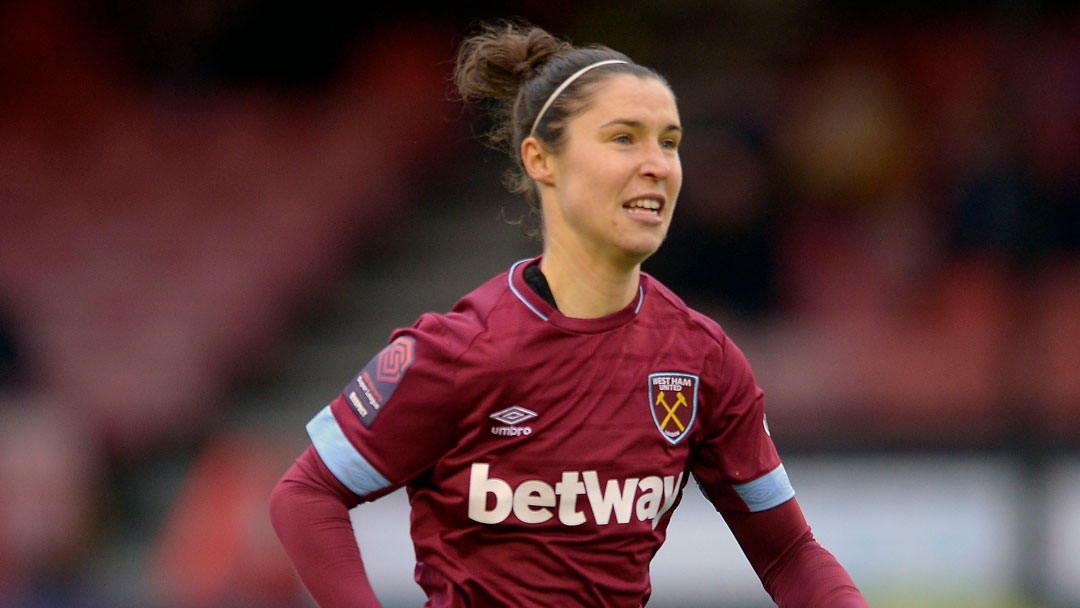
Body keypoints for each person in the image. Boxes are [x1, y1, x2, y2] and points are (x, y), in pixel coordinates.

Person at [269, 20, 869, 608]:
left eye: (670, 141)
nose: (657, 163)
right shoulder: (459, 350)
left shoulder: (702, 359)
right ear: (541, 160)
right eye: (623, 138)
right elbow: (306, 494)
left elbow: (789, 553)